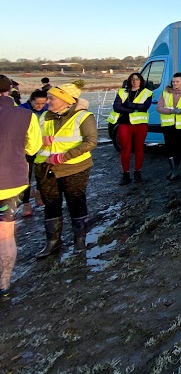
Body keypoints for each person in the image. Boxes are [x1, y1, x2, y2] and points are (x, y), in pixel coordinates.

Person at [34, 83, 97, 257]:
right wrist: (40, 140)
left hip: (74, 168)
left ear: (65, 100)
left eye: (51, 98)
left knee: (76, 202)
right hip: (45, 168)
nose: (47, 101)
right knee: (51, 204)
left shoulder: (83, 116)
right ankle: (53, 242)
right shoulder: (44, 116)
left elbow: (90, 142)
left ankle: (80, 241)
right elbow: (32, 139)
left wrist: (63, 156)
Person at [0, 75, 42, 300]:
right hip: (10, 182)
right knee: (6, 235)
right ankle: (4, 283)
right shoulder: (26, 115)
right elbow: (33, 148)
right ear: (9, 91)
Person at [106, 73, 154, 185]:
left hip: (140, 124)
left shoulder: (147, 92)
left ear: (141, 80)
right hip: (124, 124)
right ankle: (125, 175)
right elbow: (116, 107)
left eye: (137, 79)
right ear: (129, 81)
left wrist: (127, 104)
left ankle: (138, 174)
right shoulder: (122, 91)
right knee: (125, 149)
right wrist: (132, 109)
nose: (135, 81)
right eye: (132, 79)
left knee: (139, 149)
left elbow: (144, 107)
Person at [18, 90, 49, 218]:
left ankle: (39, 192)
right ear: (31, 101)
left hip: (43, 147)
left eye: (43, 103)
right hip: (27, 147)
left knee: (41, 173)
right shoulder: (21, 110)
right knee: (26, 174)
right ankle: (26, 203)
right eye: (37, 104)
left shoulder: (48, 110)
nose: (40, 106)